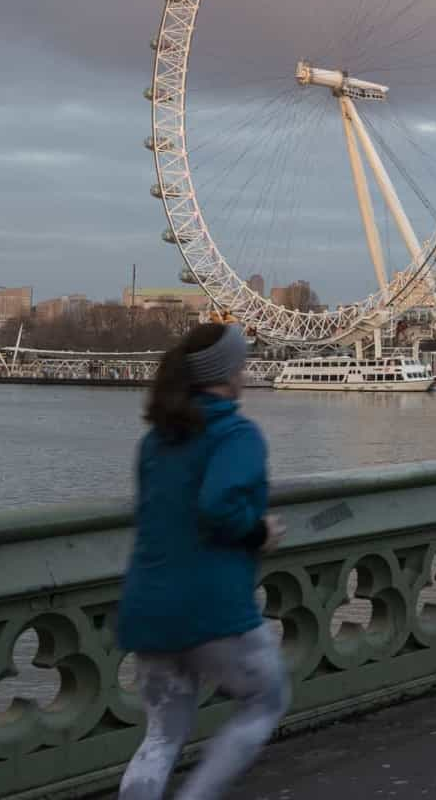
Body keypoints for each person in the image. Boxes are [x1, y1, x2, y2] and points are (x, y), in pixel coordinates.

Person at [118, 324, 289, 799]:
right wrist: (260, 531)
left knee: (161, 737)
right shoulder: (237, 433)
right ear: (229, 372)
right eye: (242, 362)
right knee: (266, 700)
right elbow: (217, 507)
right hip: (212, 610)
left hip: (147, 607)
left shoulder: (155, 441)